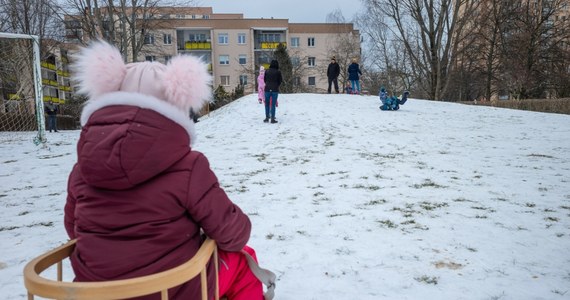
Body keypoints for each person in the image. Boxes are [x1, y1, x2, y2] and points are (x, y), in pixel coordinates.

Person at [65, 41, 272, 300]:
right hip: (172, 289)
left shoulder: (81, 170)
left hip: (96, 292)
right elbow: (232, 233)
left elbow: (74, 229)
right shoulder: (188, 167)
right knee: (243, 260)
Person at [263, 59, 282, 124]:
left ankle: (267, 117)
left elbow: (264, 80)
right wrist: (276, 85)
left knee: (267, 104)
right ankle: (272, 119)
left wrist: (268, 84)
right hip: (275, 89)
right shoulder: (278, 72)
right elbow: (280, 81)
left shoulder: (267, 71)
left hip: (267, 89)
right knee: (273, 104)